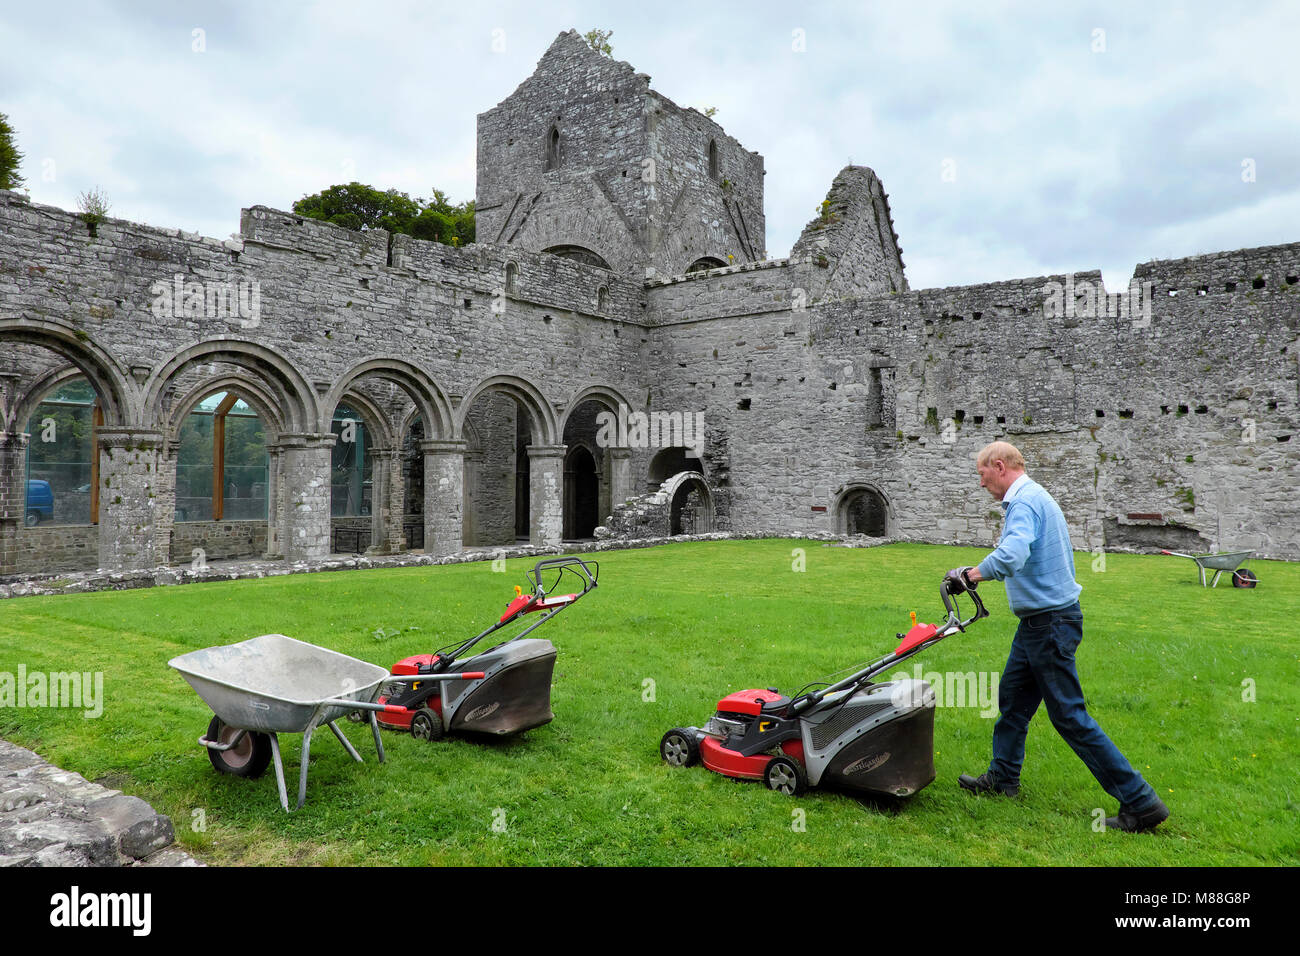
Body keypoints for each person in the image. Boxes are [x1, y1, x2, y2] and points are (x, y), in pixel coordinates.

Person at [945, 440, 1169, 833]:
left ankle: (1140, 801)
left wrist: (971, 576)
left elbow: (1012, 555)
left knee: (1069, 716)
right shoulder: (1032, 498)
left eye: (981, 475)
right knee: (1013, 702)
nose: (981, 484)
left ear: (999, 466)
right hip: (1038, 624)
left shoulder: (1025, 502)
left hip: (1049, 625)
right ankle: (1003, 778)